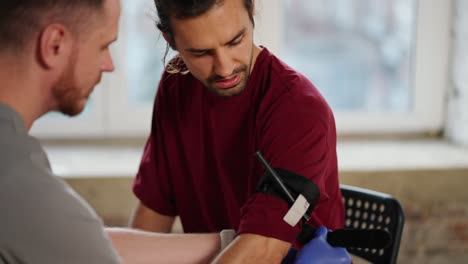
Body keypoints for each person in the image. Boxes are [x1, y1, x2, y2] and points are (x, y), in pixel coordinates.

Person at [0, 1, 225, 263]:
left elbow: (75, 240)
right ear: (55, 45)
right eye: (103, 46)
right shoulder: (13, 177)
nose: (109, 65)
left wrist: (231, 241)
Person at [131, 0, 346, 263]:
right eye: (201, 53)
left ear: (252, 8)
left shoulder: (300, 109)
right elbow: (153, 214)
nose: (224, 68)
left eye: (235, 41)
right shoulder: (177, 84)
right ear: (170, 39)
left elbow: (262, 249)